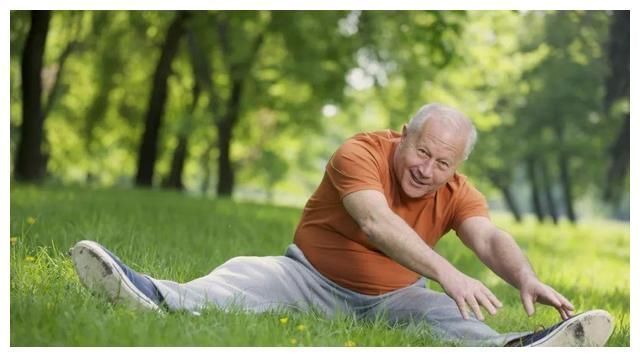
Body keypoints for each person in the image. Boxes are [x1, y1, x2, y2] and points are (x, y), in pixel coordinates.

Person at [70, 103, 614, 346]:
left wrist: (524, 276)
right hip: (306, 277)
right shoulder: (359, 152)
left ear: (457, 166)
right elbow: (375, 222)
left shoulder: (456, 190)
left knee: (446, 315)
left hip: (395, 299)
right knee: (239, 276)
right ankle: (146, 294)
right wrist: (450, 272)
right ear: (404, 135)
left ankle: (519, 348)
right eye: (421, 152)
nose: (427, 169)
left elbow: (490, 237)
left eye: (443, 163)